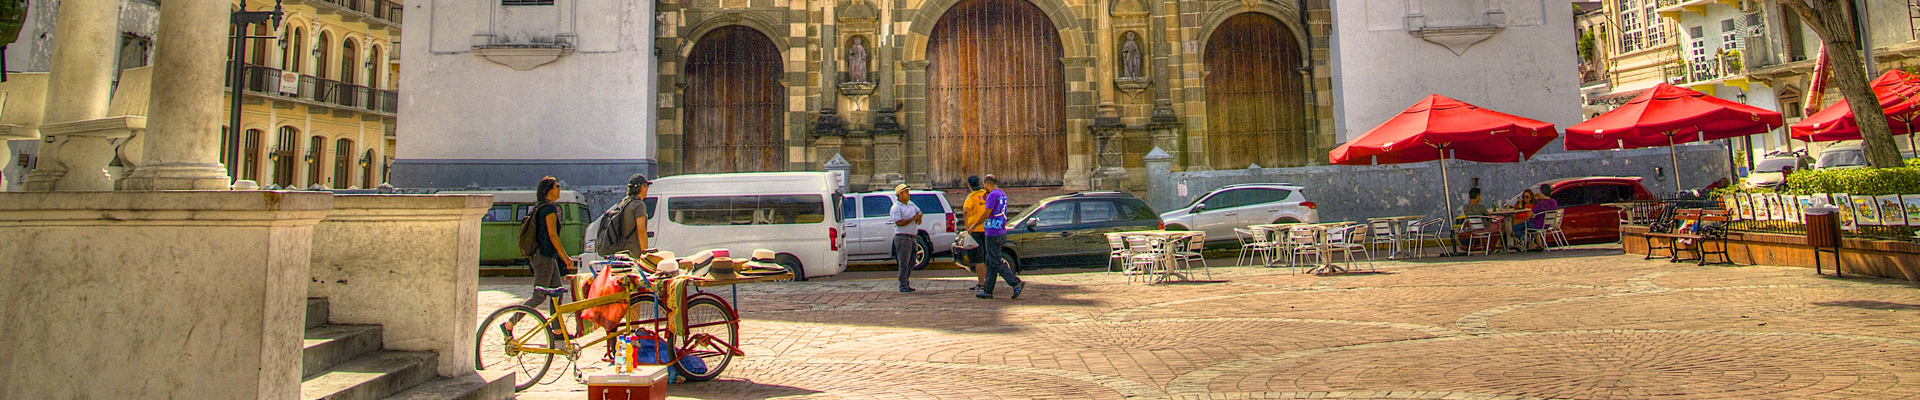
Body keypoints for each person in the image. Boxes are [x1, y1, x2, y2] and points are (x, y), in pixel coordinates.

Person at [503, 176, 574, 337]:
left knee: (557, 292)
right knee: (539, 296)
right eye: (557, 186)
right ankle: (509, 324)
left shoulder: (540, 207)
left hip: (547, 257)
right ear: (549, 191)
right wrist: (565, 257)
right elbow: (552, 235)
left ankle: (556, 330)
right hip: (543, 257)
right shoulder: (548, 209)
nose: (559, 189)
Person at [978, 175, 1026, 300]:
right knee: (990, 261)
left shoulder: (993, 195)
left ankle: (1015, 282)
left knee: (995, 261)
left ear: (987, 184)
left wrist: (973, 225)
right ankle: (987, 290)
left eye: (984, 185)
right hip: (1000, 230)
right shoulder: (1001, 194)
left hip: (993, 232)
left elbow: (986, 213)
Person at [600, 174, 652, 256]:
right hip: (633, 253)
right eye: (646, 187)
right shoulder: (639, 205)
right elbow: (641, 231)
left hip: (620, 253)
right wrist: (645, 254)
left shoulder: (624, 203)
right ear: (642, 188)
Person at [889, 184, 923, 293]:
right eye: (906, 192)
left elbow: (919, 211)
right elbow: (899, 223)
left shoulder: (911, 204)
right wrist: (913, 218)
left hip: (912, 237)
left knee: (912, 261)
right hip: (902, 237)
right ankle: (903, 284)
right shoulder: (896, 208)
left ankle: (906, 281)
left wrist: (919, 217)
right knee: (903, 262)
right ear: (900, 195)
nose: (908, 194)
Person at [961, 175, 990, 291]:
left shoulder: (971, 196)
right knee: (986, 256)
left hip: (976, 230)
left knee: (979, 259)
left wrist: (967, 225)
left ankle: (982, 283)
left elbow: (965, 210)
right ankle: (988, 281)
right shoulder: (986, 194)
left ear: (969, 185)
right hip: (988, 229)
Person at [1525, 184, 1561, 251]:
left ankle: (1532, 243)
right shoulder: (1554, 202)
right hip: (1548, 224)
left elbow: (1529, 215)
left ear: (1541, 192)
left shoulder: (1540, 203)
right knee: (1532, 226)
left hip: (1538, 225)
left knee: (1517, 228)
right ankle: (1539, 244)